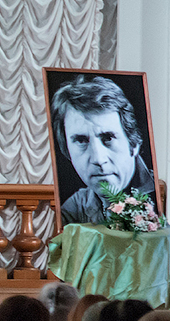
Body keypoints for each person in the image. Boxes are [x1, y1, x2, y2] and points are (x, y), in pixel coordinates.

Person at [50, 75, 155, 225]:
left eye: (108, 138)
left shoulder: (162, 200)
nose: (98, 159)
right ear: (67, 151)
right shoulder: (75, 206)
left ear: (133, 144)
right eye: (81, 140)